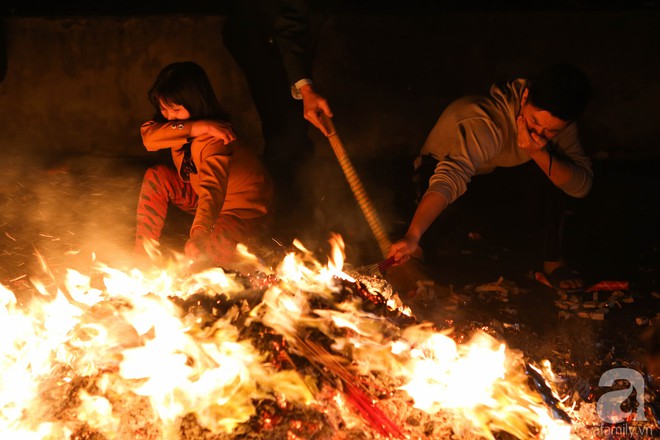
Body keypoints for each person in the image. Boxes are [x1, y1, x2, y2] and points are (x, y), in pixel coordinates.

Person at [389, 64, 593, 292]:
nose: (539, 134)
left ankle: (552, 259)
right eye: (535, 122)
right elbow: (450, 177)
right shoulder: (486, 121)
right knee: (434, 204)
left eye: (551, 131)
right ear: (525, 97)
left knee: (552, 167)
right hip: (438, 175)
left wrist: (538, 152)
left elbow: (581, 185)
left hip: (489, 179)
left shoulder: (561, 126)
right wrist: (413, 235)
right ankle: (416, 249)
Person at [134, 61, 274, 271]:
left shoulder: (216, 140)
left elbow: (212, 190)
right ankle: (141, 257)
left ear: (195, 102)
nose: (169, 117)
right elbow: (149, 138)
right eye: (164, 108)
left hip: (244, 211)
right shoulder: (183, 128)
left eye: (175, 109)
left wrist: (199, 234)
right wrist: (197, 126)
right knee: (157, 177)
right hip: (203, 199)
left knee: (210, 256)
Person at [221, 0, 334, 240]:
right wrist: (305, 89)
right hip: (263, 42)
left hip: (276, 45)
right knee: (286, 135)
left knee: (291, 134)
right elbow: (290, 26)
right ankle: (283, 225)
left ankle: (293, 221)